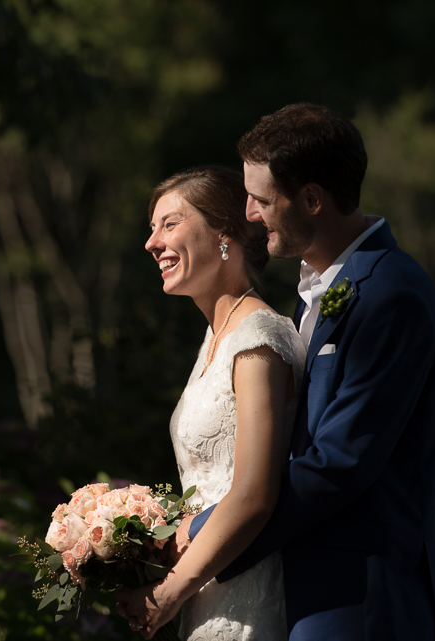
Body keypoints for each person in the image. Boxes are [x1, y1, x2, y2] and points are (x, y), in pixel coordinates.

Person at [169, 104, 435, 640]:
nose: (249, 214)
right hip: (304, 592)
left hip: (360, 600)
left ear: (313, 199)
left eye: (261, 199)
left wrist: (201, 533)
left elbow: (339, 462)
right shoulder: (315, 292)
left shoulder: (393, 294)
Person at [120, 166, 307, 640]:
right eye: (151, 228)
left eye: (169, 224)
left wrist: (170, 592)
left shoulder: (257, 337)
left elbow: (253, 494)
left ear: (224, 232)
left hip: (245, 589)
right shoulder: (215, 336)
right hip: (204, 590)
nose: (151, 243)